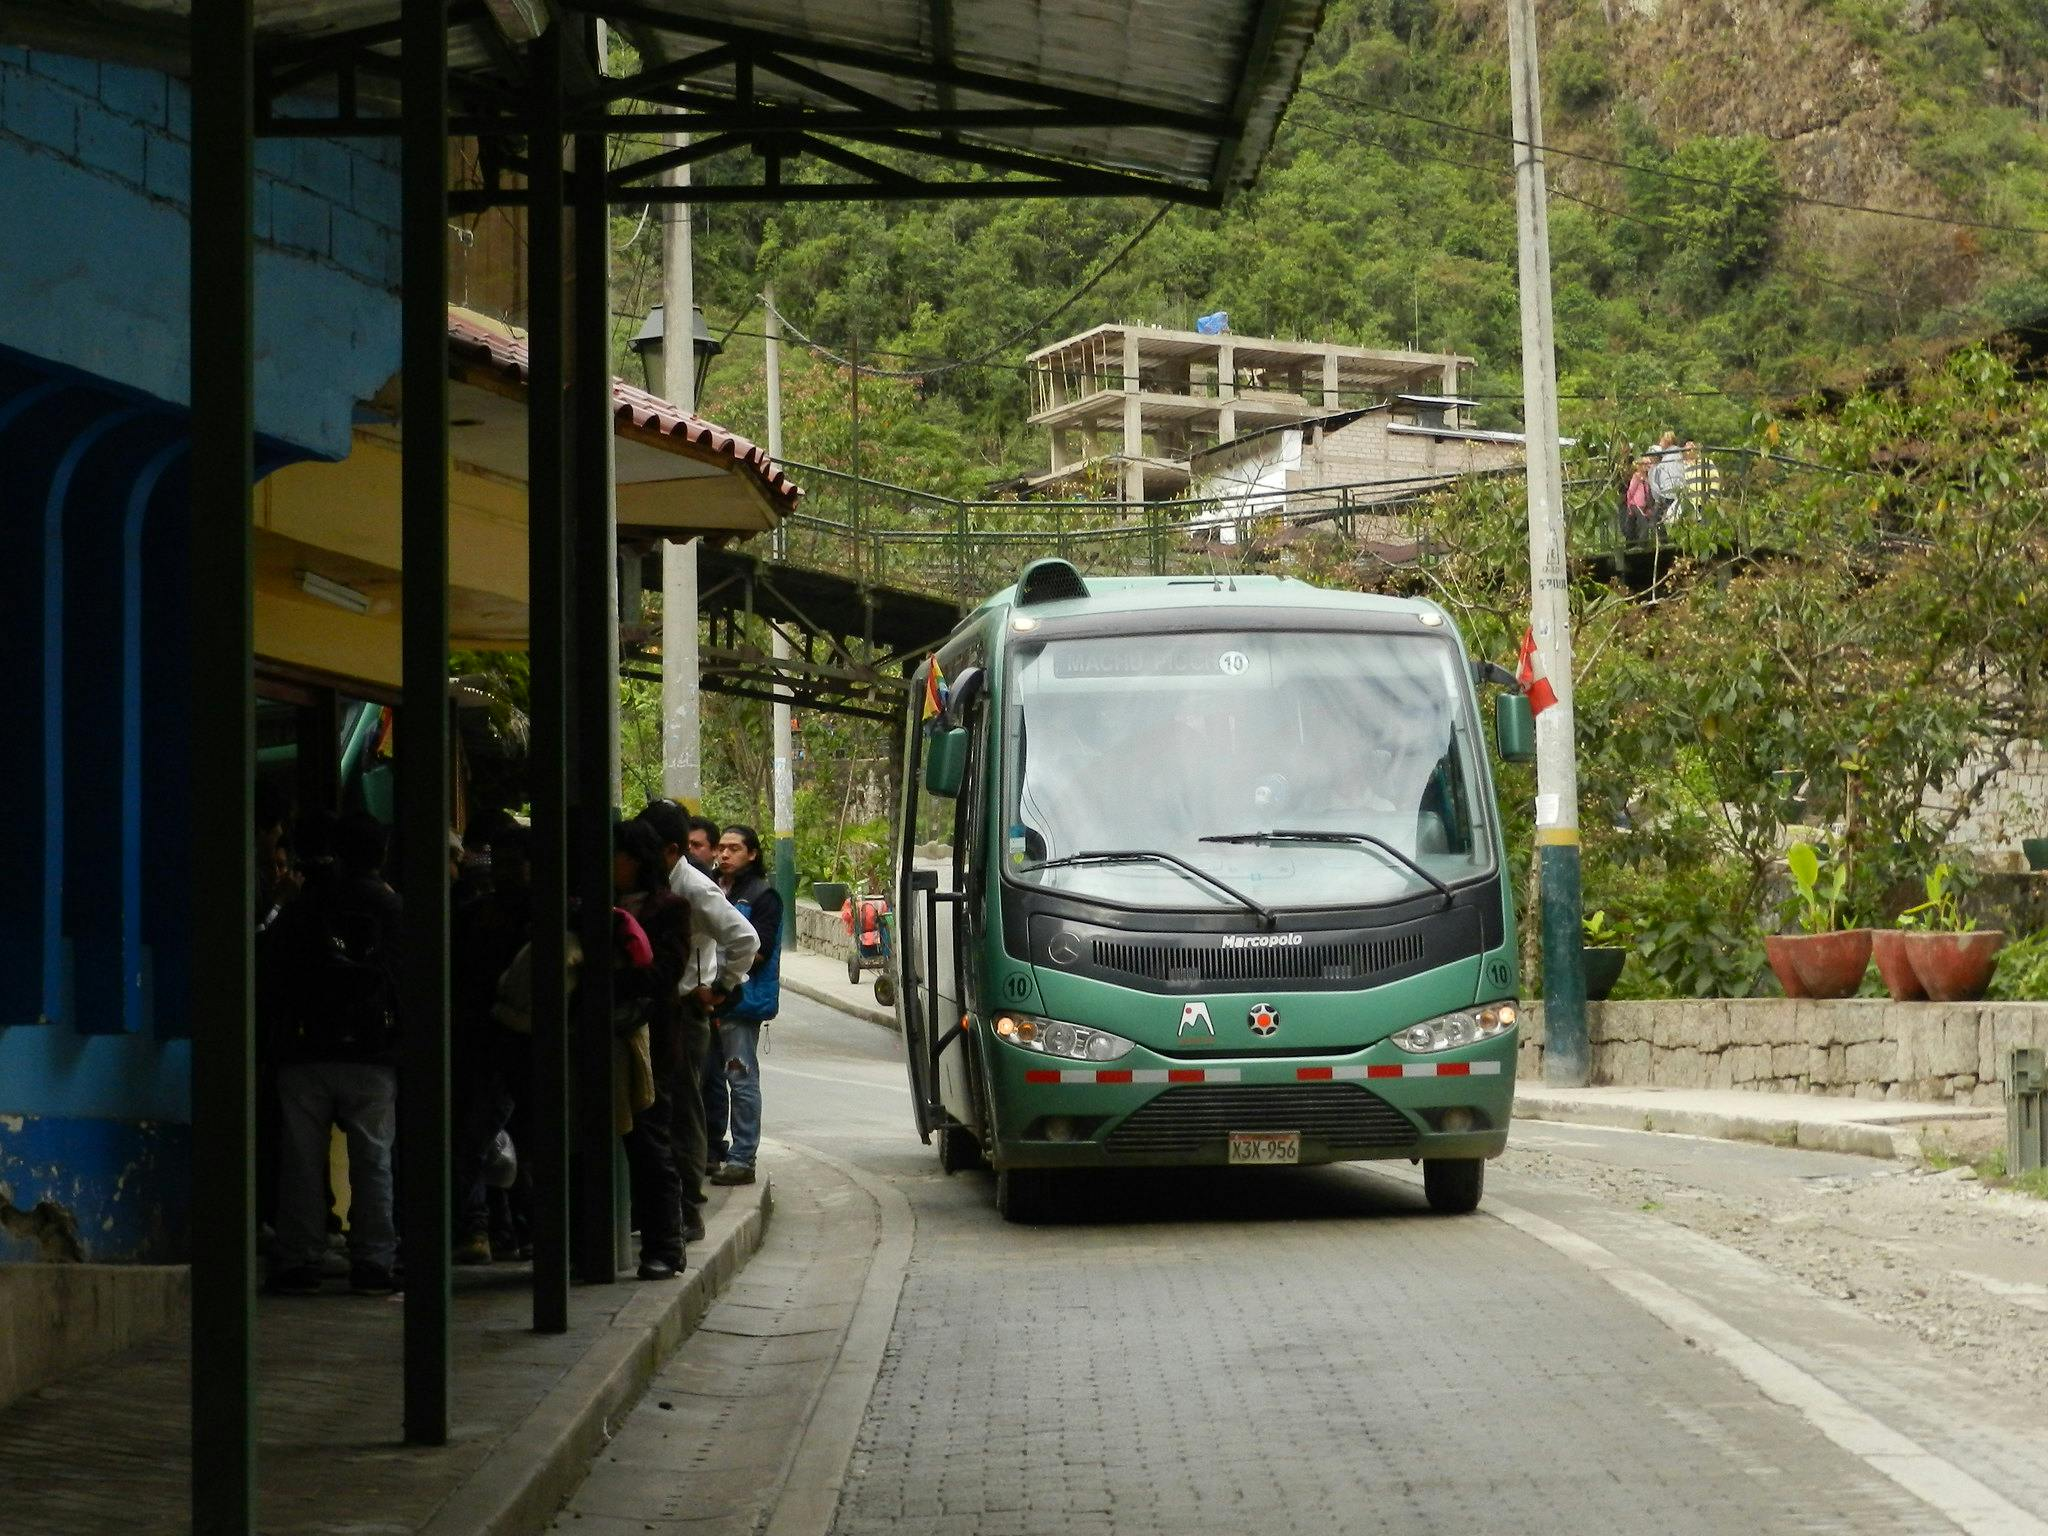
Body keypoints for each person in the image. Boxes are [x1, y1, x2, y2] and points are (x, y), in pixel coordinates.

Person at [268, 812, 404, 1297]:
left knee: (302, 1161)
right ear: (382, 853)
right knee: (374, 1159)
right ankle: (373, 1260)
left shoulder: (307, 905)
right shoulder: (393, 909)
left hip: (307, 1049)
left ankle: (300, 1258)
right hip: (373, 1050)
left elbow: (275, 969)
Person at [636, 799, 757, 1240]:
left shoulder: (692, 887)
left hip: (684, 1013)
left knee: (683, 1108)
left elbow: (744, 937)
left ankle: (687, 1206)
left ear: (669, 850)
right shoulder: (648, 884)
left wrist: (721, 987)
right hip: (649, 1011)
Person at [613, 818, 694, 1280]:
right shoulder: (592, 904)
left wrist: (612, 974)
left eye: (619, 856)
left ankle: (665, 1244)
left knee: (649, 1143)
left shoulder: (671, 908)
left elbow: (665, 975)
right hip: (603, 1039)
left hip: (650, 1043)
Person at [449, 823, 533, 1264]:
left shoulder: (532, 915)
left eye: (509, 862)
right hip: (487, 1042)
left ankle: (493, 1228)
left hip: (511, 1043)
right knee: (485, 1137)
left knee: (485, 1139)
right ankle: (495, 1229)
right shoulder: (474, 914)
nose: (499, 871)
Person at [709, 824, 782, 1187]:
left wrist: (719, 967)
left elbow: (760, 952)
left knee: (740, 1078)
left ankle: (742, 1158)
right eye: (720, 848)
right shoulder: (712, 888)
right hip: (707, 999)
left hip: (739, 1002)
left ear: (752, 854)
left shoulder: (762, 895)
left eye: (734, 848)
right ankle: (714, 1152)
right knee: (709, 1080)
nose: (724, 855)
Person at [1647, 432, 1686, 515]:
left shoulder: (1667, 459)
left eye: (1661, 441)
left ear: (1667, 441)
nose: (1660, 444)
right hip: (1679, 493)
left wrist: (1659, 496)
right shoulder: (1678, 454)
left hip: (1668, 494)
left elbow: (1658, 481)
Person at [1680, 440, 1721, 511]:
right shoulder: (1681, 466)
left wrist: (1711, 498)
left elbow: (1715, 480)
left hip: (1704, 502)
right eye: (1687, 449)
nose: (1690, 451)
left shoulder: (1706, 462)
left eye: (1692, 448)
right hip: (1689, 505)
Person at [1623, 455, 1655, 544]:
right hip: (1635, 504)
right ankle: (1641, 544)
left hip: (1643, 504)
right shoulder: (1636, 477)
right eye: (1644, 465)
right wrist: (1629, 504)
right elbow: (1631, 491)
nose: (1646, 467)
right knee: (1643, 523)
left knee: (1635, 523)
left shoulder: (1647, 477)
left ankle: (1639, 542)